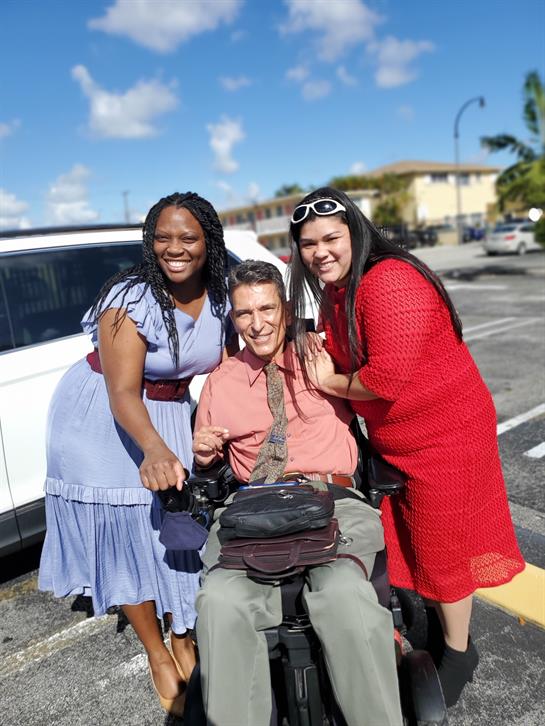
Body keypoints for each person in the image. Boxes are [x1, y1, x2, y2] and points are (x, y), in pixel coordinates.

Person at [287, 187, 525, 707]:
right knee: (416, 538)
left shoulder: (389, 282)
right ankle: (445, 629)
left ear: (356, 232)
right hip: (399, 438)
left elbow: (387, 379)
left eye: (331, 238)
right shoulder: (338, 290)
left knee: (443, 548)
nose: (320, 251)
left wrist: (329, 381)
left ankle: (459, 651)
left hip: (446, 433)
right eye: (308, 243)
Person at [39, 191, 234, 717]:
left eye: (188, 237)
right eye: (162, 237)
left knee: (177, 535)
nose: (174, 248)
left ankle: (185, 636)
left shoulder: (221, 296)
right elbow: (123, 392)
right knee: (126, 537)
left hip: (168, 412)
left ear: (208, 241)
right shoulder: (130, 299)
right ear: (150, 242)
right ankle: (157, 652)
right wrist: (153, 449)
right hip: (105, 417)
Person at [192, 260, 403, 726]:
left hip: (333, 499)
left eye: (267, 308)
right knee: (219, 603)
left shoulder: (320, 357)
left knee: (345, 592)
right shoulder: (220, 383)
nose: (257, 323)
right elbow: (205, 461)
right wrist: (204, 457)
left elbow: (387, 390)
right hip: (255, 508)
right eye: (245, 313)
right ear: (233, 318)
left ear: (285, 310)